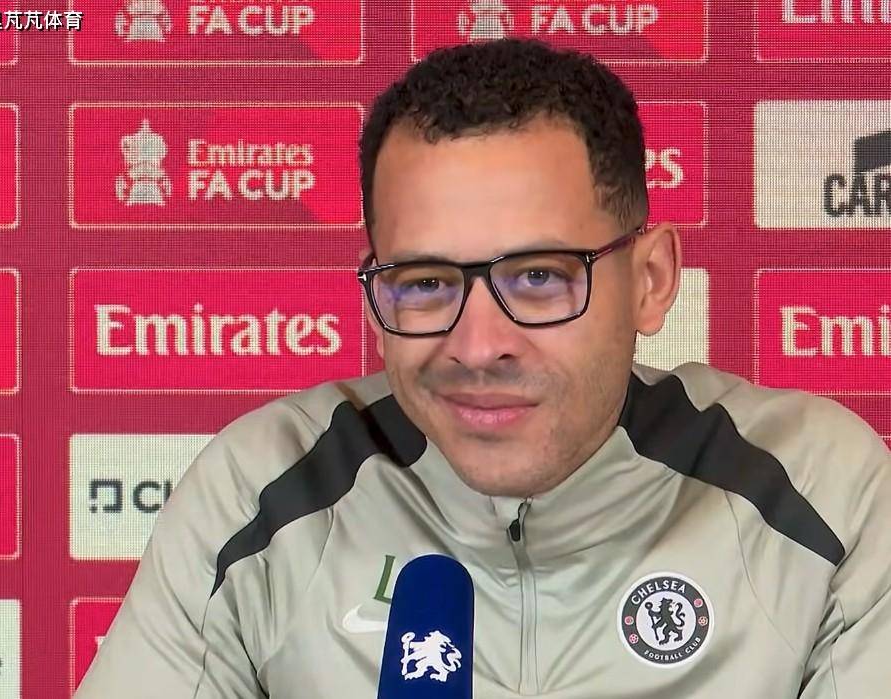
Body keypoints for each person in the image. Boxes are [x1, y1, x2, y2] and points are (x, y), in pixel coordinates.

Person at [74, 39, 891, 698]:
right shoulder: (260, 494)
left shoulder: (823, 493)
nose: (475, 346)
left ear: (649, 280)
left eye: (537, 277)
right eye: (425, 283)